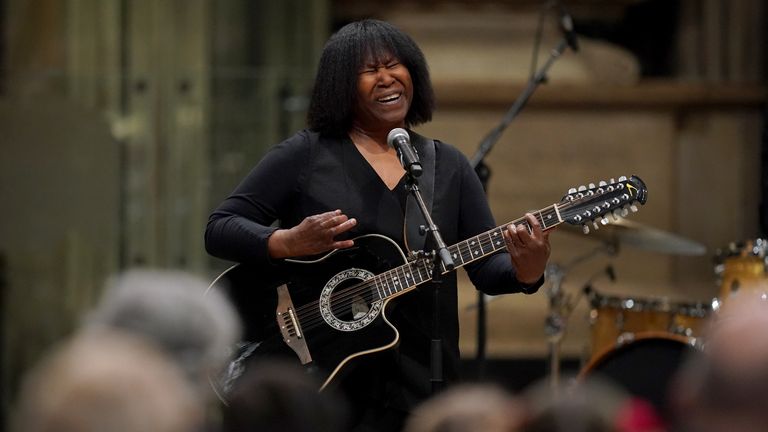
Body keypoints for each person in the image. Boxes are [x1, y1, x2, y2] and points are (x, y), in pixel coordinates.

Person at [205, 19, 551, 431]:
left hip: (423, 383)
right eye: (369, 71)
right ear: (341, 85)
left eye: (395, 65)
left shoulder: (449, 166)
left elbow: (487, 270)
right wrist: (287, 241)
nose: (387, 78)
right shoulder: (306, 155)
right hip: (326, 381)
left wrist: (529, 269)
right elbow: (221, 228)